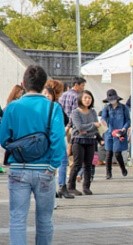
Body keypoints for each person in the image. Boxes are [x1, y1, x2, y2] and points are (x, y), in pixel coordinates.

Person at [0, 65, 66, 245]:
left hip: (18, 169)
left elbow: (3, 138)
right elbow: (58, 140)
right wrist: (53, 166)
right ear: (44, 84)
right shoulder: (53, 108)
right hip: (45, 169)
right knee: (45, 219)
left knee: (17, 218)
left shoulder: (13, 107)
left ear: (23, 83)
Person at [42, 79, 75, 200]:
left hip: (44, 139)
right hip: (56, 138)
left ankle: (55, 188)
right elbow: (65, 120)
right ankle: (61, 187)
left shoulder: (41, 105)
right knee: (62, 161)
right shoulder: (56, 106)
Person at [68, 90, 100, 195]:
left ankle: (86, 187)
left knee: (88, 165)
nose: (87, 100)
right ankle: (71, 186)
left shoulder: (93, 112)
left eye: (89, 98)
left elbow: (96, 129)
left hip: (91, 140)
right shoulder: (75, 112)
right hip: (78, 140)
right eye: (85, 98)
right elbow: (79, 127)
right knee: (77, 164)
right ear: (80, 99)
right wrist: (93, 125)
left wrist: (87, 129)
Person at [101, 89, 130, 179]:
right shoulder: (106, 108)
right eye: (110, 99)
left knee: (117, 153)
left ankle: (123, 168)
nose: (112, 101)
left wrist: (124, 128)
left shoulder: (124, 107)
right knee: (109, 153)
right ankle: (108, 172)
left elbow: (128, 120)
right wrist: (107, 126)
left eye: (113, 99)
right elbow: (103, 119)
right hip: (109, 133)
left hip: (120, 132)